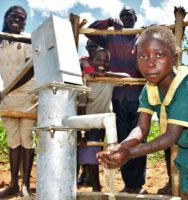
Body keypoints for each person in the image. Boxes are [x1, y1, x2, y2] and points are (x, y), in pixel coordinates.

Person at [97, 25, 188, 200]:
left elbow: (171, 136)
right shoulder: (149, 89)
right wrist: (121, 146)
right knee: (187, 190)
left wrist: (130, 153)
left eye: (159, 55)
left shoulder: (187, 88)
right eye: (142, 56)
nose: (150, 63)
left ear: (174, 58)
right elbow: (142, 128)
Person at [86, 6, 147, 194]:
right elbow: (91, 32)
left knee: (139, 138)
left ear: (136, 19)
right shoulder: (110, 36)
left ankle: (139, 184)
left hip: (139, 96)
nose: (126, 17)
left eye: (130, 14)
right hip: (118, 98)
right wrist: (109, 22)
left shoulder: (142, 36)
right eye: (123, 15)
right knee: (123, 139)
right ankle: (129, 183)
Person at [0, 5, 36, 198]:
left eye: (22, 18)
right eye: (13, 16)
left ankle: (25, 184)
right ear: (6, 18)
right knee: (13, 141)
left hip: (28, 96)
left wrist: (4, 90)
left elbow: (30, 71)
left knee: (26, 139)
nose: (17, 19)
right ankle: (13, 183)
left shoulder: (27, 41)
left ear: (25, 23)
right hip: (7, 100)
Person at [77, 48, 130, 191]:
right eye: (98, 60)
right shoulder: (87, 80)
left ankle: (96, 187)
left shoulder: (109, 79)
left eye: (106, 61)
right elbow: (81, 107)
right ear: (92, 61)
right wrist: (82, 132)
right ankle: (94, 186)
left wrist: (106, 74)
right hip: (87, 123)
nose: (102, 63)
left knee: (93, 154)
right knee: (87, 154)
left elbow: (126, 77)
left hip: (101, 124)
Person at [77, 39, 100, 187]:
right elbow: (88, 73)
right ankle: (84, 173)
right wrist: (85, 64)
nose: (92, 48)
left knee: (93, 143)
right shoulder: (82, 60)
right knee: (81, 140)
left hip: (95, 105)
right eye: (89, 46)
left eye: (94, 46)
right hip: (80, 101)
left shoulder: (101, 61)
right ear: (86, 48)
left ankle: (89, 176)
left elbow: (91, 73)